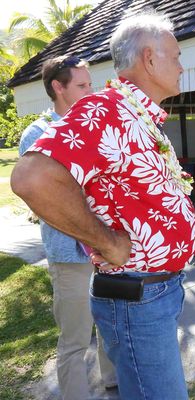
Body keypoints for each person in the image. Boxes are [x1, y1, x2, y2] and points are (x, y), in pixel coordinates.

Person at [11, 13, 195, 400]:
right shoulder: (106, 110)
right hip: (138, 298)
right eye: (176, 56)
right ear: (149, 59)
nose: (182, 65)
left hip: (157, 291)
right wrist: (107, 241)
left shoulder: (138, 114)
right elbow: (32, 178)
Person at [18, 56, 116, 399]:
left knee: (108, 323)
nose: (92, 91)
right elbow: (41, 197)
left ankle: (113, 382)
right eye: (82, 85)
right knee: (75, 337)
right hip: (69, 251)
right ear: (58, 88)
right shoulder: (38, 133)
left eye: (91, 84)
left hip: (105, 246)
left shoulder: (93, 125)